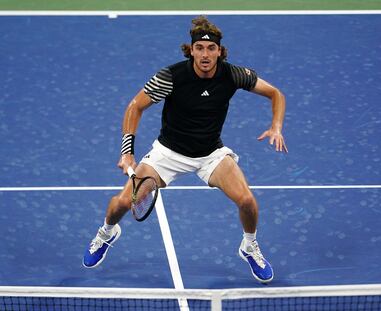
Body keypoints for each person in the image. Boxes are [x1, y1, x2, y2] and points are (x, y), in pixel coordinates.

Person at [83, 16, 288, 284]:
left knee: (248, 201)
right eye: (199, 49)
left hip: (210, 155)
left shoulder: (233, 74)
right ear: (191, 50)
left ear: (219, 51)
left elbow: (276, 94)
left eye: (211, 48)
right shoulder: (171, 77)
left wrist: (276, 126)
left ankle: (249, 246)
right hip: (167, 154)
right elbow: (135, 106)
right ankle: (107, 233)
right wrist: (127, 152)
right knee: (122, 203)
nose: (205, 54)